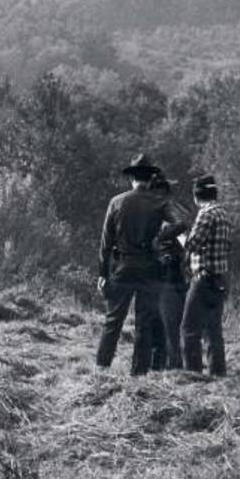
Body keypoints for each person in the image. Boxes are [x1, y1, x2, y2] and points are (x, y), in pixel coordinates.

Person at [96, 153, 184, 375]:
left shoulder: (116, 202)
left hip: (122, 267)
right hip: (149, 269)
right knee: (144, 324)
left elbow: (105, 243)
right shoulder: (160, 202)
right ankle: (138, 374)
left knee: (113, 320)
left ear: (131, 178)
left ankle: (101, 368)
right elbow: (182, 223)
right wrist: (160, 238)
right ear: (150, 178)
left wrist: (102, 273)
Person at [180, 174, 235, 376]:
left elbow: (192, 245)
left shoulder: (206, 214)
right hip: (220, 278)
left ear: (197, 196)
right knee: (213, 331)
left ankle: (193, 375)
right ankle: (218, 374)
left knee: (189, 329)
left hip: (203, 278)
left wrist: (179, 234)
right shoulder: (224, 215)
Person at [149, 173, 191, 370]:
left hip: (170, 277)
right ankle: (165, 365)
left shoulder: (171, 212)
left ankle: (174, 366)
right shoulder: (158, 213)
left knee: (170, 324)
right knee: (163, 324)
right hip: (164, 275)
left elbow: (184, 233)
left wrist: (160, 240)